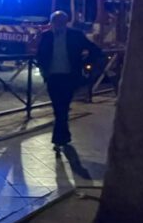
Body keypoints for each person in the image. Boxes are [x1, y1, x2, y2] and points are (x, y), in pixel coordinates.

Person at [35, 11, 102, 153]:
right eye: (55, 22)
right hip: (53, 77)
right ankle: (63, 137)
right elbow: (40, 55)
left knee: (62, 108)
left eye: (60, 22)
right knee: (59, 109)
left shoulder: (75, 35)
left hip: (68, 77)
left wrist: (84, 63)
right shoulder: (46, 36)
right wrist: (43, 70)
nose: (57, 25)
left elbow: (95, 50)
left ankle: (59, 139)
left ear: (65, 22)